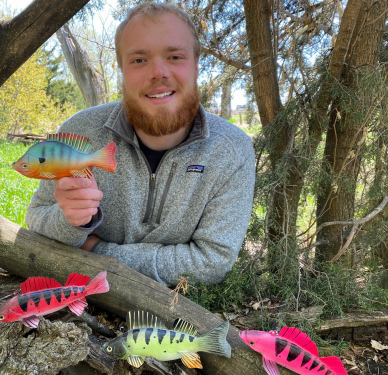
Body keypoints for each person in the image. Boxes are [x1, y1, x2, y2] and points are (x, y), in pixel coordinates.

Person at [26, 2, 255, 287]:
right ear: (121, 69)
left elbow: (212, 262)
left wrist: (96, 250)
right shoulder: (79, 132)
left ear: (197, 65)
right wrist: (72, 222)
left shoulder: (232, 151)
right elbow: (36, 219)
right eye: (138, 60)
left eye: (174, 56)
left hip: (177, 322)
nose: (158, 72)